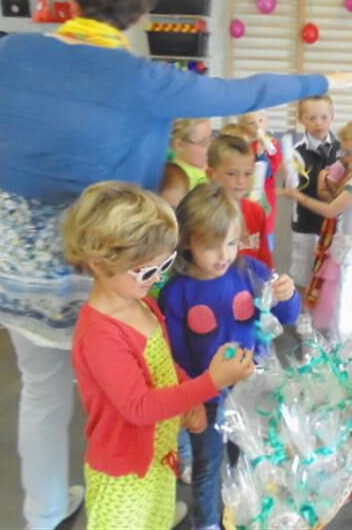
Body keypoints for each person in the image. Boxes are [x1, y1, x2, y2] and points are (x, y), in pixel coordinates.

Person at [0, 0, 352, 528]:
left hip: (15, 273)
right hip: (106, 275)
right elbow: (245, 90)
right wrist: (324, 81)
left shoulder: (8, 55)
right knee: (127, 393)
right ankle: (134, 497)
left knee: (42, 389)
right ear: (139, 13)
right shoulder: (145, 80)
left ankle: (46, 510)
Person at [65, 181, 255, 529]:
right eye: (147, 271)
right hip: (125, 476)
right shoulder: (101, 336)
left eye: (165, 265)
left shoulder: (142, 302)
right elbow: (139, 407)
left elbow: (165, 365)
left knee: (158, 519)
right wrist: (209, 383)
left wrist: (188, 399)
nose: (157, 279)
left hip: (160, 459)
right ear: (98, 264)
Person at [159, 183, 300, 530]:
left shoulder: (251, 272)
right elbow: (176, 354)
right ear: (187, 242)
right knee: (208, 464)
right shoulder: (177, 292)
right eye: (211, 246)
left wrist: (288, 295)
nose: (224, 255)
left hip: (252, 388)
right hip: (207, 396)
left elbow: (288, 316)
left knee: (249, 456)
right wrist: (192, 398)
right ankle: (208, 523)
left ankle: (243, 516)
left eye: (232, 243)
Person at [279, 116, 352, 342]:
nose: (344, 158)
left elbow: (332, 210)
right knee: (338, 301)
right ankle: (337, 341)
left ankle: (341, 345)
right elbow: (338, 204)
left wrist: (298, 196)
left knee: (346, 304)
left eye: (349, 153)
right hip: (344, 245)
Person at [288, 95, 341, 296]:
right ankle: (302, 309)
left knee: (330, 273)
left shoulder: (342, 150)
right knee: (302, 271)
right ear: (301, 119)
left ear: (332, 117)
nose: (318, 123)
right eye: (311, 118)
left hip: (335, 223)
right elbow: (292, 188)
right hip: (306, 222)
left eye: (324, 117)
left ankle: (322, 309)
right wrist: (287, 174)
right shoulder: (295, 152)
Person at [207, 134, 273, 268]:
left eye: (248, 173)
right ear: (211, 174)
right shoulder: (204, 215)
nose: (241, 181)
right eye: (232, 173)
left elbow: (265, 260)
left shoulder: (257, 212)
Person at [239, 109, 283, 250]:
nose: (257, 126)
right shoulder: (244, 146)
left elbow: (269, 172)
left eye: (260, 121)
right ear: (243, 128)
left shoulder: (273, 144)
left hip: (266, 204)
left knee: (265, 245)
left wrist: (261, 154)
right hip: (246, 204)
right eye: (251, 123)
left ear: (267, 122)